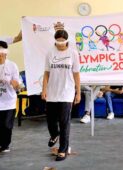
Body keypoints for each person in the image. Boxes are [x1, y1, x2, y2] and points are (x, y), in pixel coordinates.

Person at [41, 29, 80, 161]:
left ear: (67, 41)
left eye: (63, 41)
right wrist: (44, 89)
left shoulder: (73, 53)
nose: (61, 43)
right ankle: (54, 134)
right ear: (55, 40)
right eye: (58, 41)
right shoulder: (50, 53)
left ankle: (62, 150)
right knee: (51, 120)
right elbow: (46, 73)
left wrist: (78, 92)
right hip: (52, 91)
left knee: (64, 122)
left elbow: (76, 74)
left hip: (67, 91)